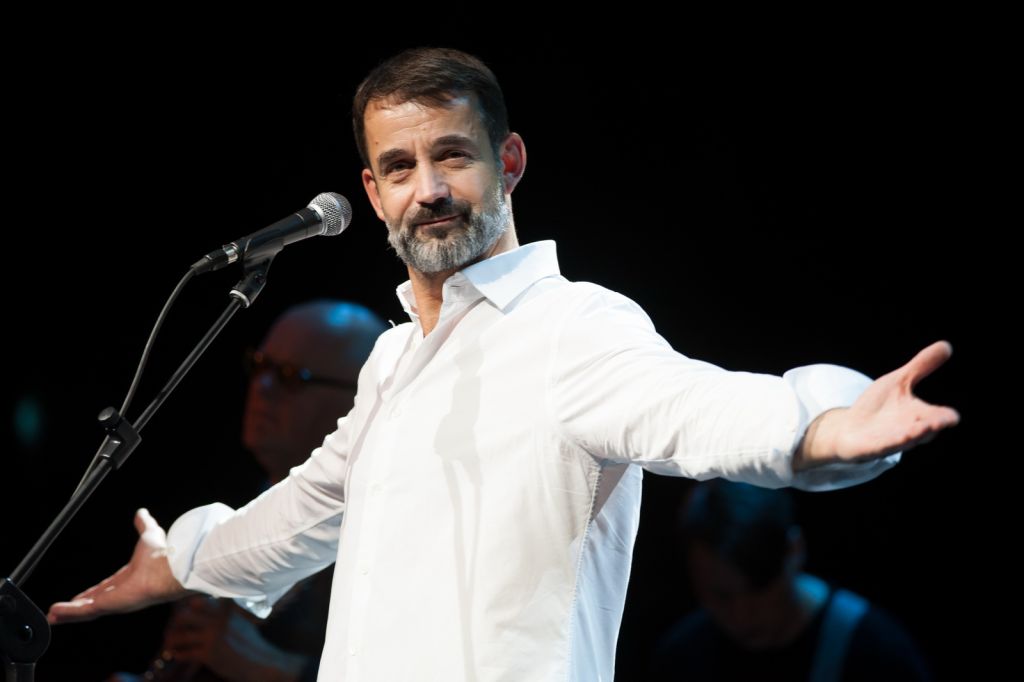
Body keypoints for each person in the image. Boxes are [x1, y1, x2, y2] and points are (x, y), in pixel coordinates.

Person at [48, 47, 959, 681]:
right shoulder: (393, 357)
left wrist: (827, 425)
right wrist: (181, 559)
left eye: (452, 155)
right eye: (399, 167)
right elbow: (309, 509)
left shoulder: (571, 327)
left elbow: (699, 410)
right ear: (372, 192)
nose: (429, 190)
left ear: (509, 161)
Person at [108, 299, 387, 682]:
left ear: (360, 401)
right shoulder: (242, 505)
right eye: (259, 366)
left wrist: (274, 669)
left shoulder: (384, 532)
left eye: (290, 376)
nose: (262, 387)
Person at [648, 480, 932, 681]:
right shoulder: (681, 659)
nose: (742, 614)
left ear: (794, 551)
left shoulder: (875, 652)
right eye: (721, 596)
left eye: (760, 587)